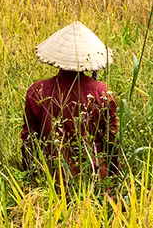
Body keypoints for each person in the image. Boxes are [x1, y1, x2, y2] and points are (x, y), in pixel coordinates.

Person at [21, 21, 120, 182]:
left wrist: (29, 179)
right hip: (94, 178)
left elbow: (29, 140)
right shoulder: (102, 92)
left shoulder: (37, 91)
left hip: (52, 180)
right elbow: (111, 140)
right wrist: (114, 179)